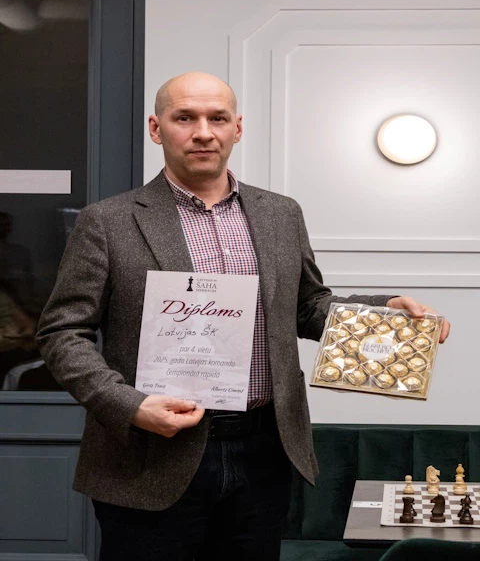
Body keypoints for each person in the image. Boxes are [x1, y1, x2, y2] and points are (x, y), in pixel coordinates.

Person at [36, 72, 450, 561]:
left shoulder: (281, 214)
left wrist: (384, 309)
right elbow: (63, 331)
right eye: (185, 118)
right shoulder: (108, 221)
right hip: (151, 452)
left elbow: (307, 307)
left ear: (237, 128)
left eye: (217, 118)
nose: (203, 132)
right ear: (156, 128)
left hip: (263, 449)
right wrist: (128, 405)